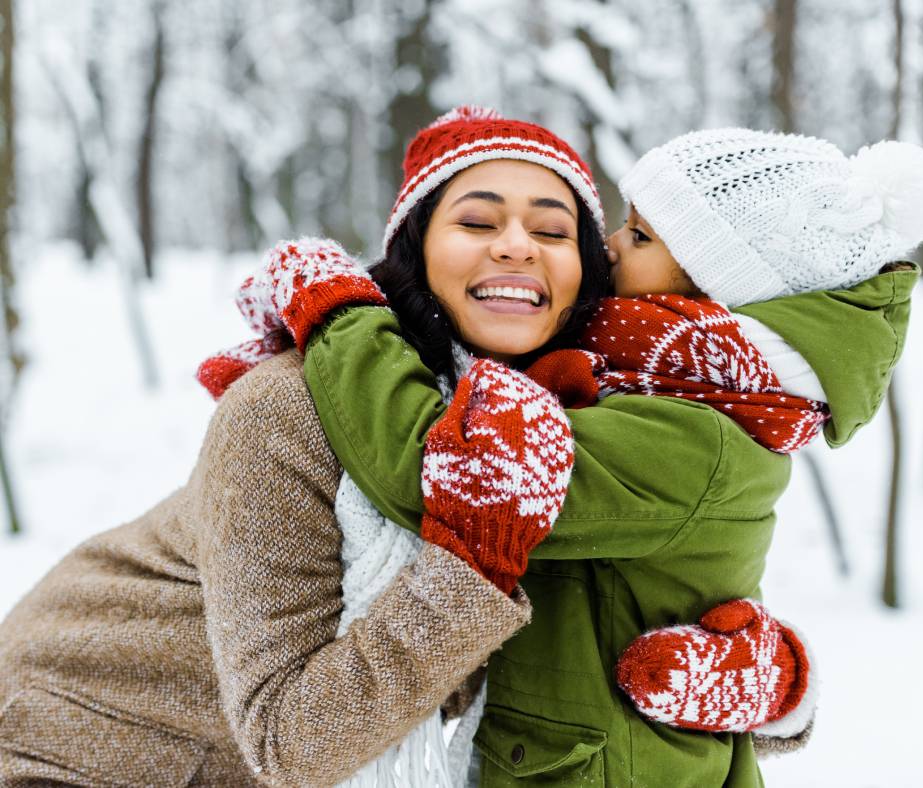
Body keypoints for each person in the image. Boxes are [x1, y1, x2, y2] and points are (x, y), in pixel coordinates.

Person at [300, 116, 923, 784]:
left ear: (709, 283)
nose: (611, 247)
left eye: (640, 235)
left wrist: (340, 316)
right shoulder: (659, 383)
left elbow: (443, 482)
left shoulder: (695, 430)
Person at [0, 111, 610, 788]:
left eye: (553, 230)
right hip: (81, 746)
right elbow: (292, 743)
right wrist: (473, 562)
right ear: (416, 250)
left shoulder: (565, 419)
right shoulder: (286, 409)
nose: (518, 246)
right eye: (476, 222)